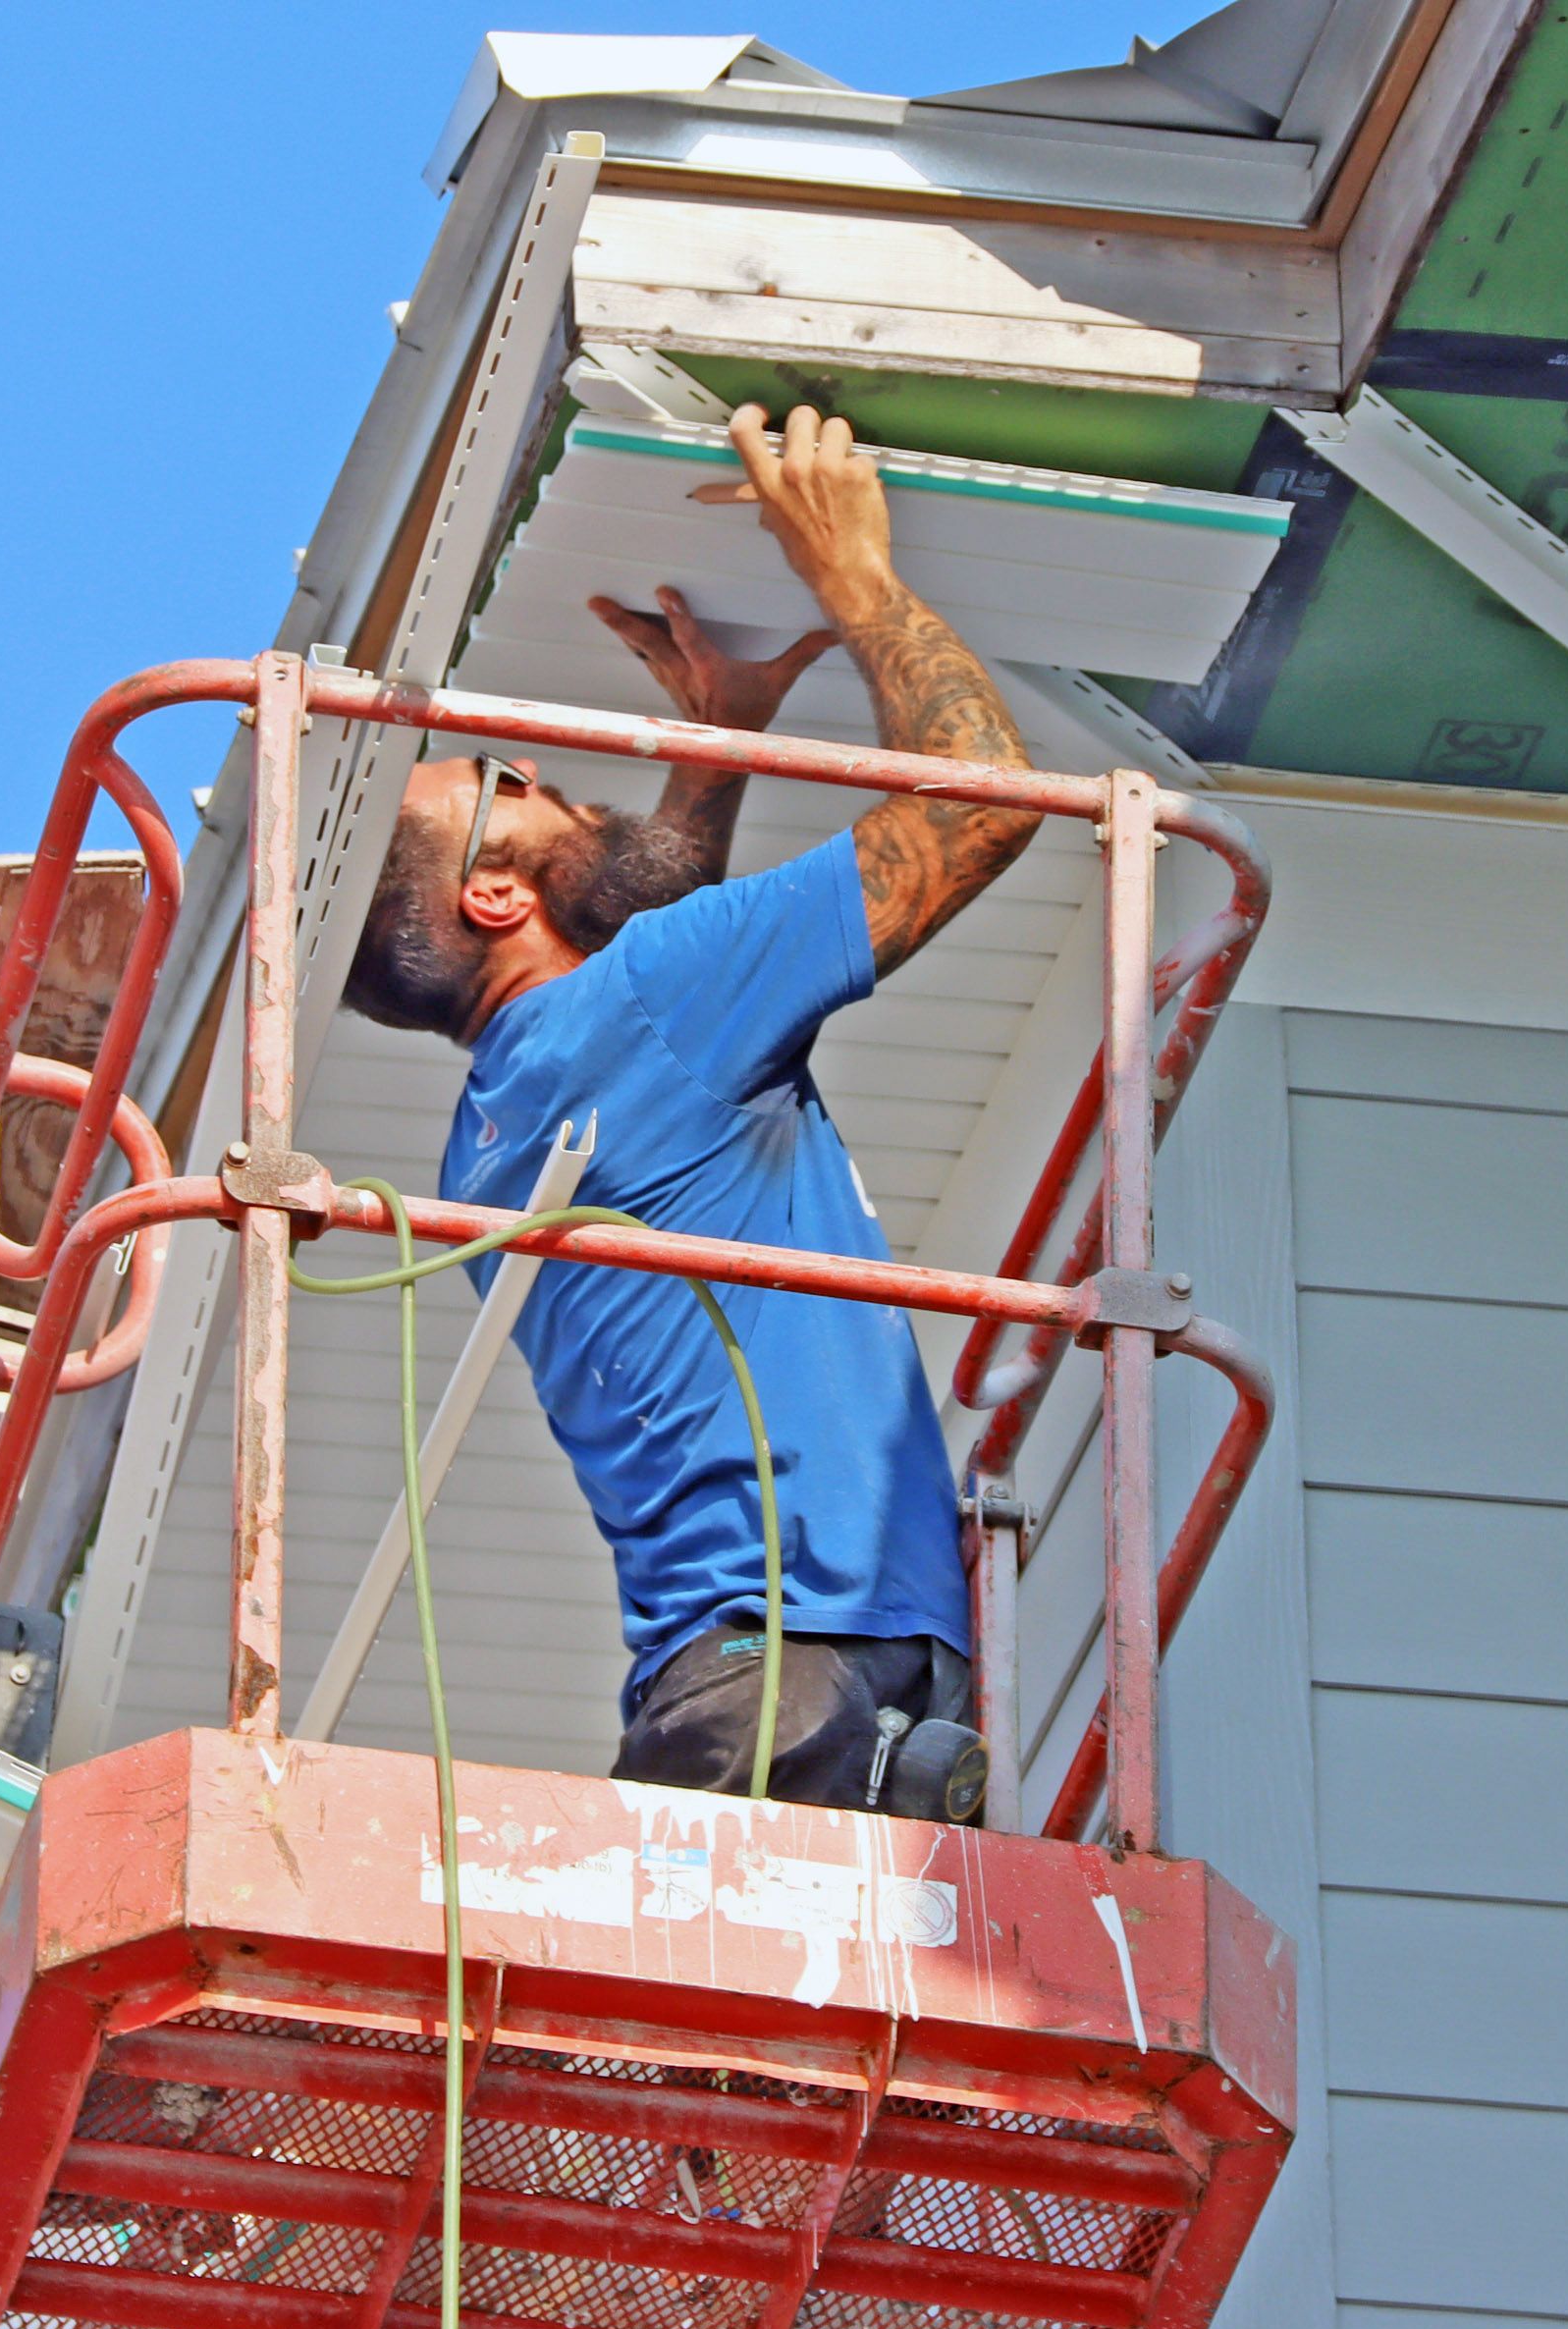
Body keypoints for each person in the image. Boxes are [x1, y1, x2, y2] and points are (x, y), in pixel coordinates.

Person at [340, 402, 1050, 1814]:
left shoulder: (503, 1130)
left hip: (753, 1690)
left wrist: (719, 742)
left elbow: (642, 944)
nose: (544, 774)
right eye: (508, 785)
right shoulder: (649, 1007)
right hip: (800, 1680)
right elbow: (988, 807)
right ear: (494, 896)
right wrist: (849, 573)